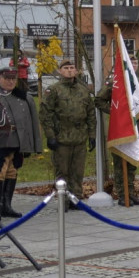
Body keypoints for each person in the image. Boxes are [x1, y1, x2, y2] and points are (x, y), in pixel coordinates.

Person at [0, 65, 43, 218]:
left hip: (16, 141)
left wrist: (32, 144)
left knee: (12, 172)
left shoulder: (22, 97)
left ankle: (6, 206)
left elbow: (31, 122)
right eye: (7, 79)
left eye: (13, 79)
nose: (11, 82)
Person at [40, 59, 96, 210]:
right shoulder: (54, 90)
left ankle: (76, 199)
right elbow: (46, 114)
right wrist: (50, 136)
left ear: (77, 71)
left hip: (79, 137)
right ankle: (63, 200)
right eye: (66, 68)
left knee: (78, 171)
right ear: (60, 71)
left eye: (72, 67)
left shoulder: (83, 90)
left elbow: (91, 113)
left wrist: (92, 135)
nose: (70, 70)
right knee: (62, 171)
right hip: (61, 137)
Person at [96, 54, 139, 206]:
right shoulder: (115, 82)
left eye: (135, 63)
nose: (134, 66)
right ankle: (123, 195)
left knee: (132, 162)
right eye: (131, 63)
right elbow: (99, 100)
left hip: (135, 128)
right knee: (120, 164)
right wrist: (116, 112)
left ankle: (131, 193)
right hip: (120, 128)